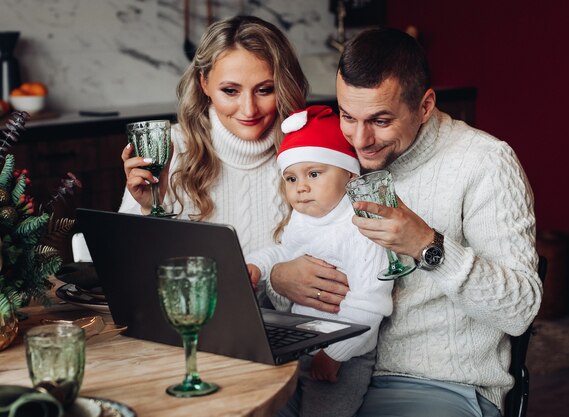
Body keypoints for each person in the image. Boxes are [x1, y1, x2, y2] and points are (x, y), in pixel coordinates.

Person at [265, 27, 543, 417]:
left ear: (425, 105)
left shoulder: (485, 163)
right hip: (323, 364)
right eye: (348, 116)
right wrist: (280, 279)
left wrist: (428, 246)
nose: (360, 140)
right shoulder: (334, 157)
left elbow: (520, 310)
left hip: (435, 383)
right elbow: (302, 255)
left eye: (380, 120)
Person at [119, 15, 308, 258]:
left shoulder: (310, 151)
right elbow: (129, 266)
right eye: (230, 91)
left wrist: (273, 279)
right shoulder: (171, 147)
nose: (249, 109)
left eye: (265, 90)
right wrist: (149, 207)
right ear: (204, 84)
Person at [246, 105, 393, 417]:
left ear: (351, 175)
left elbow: (370, 302)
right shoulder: (302, 218)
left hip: (346, 354)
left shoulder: (361, 227)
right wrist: (258, 266)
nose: (300, 187)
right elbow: (283, 253)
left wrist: (334, 354)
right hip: (300, 340)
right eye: (290, 178)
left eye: (314, 174)